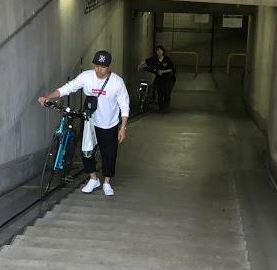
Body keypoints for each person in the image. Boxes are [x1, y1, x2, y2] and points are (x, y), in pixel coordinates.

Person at [38, 50, 129, 196]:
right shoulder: (86, 77)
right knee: (86, 152)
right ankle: (93, 179)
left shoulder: (117, 82)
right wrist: (48, 97)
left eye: (103, 67)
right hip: (90, 122)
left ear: (108, 67)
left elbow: (125, 105)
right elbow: (68, 88)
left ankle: (106, 183)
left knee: (109, 155)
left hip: (109, 125)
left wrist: (123, 127)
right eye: (97, 66)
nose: (99, 69)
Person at [138, 45, 176, 112]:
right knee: (160, 93)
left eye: (160, 50)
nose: (159, 52)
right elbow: (146, 61)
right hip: (159, 79)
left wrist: (163, 71)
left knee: (166, 94)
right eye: (157, 50)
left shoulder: (167, 60)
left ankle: (166, 106)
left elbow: (171, 69)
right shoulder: (154, 59)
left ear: (163, 51)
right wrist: (140, 65)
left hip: (168, 79)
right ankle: (162, 108)